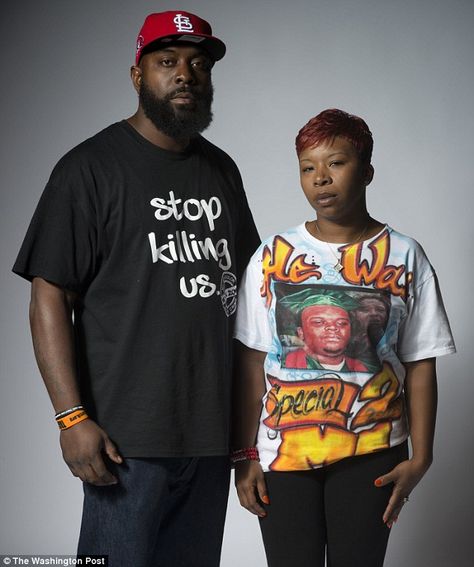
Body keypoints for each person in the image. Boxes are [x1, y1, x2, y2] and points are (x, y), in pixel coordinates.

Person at [12, 10, 259, 567]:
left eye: (198, 64)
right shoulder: (88, 168)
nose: (185, 75)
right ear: (136, 74)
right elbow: (48, 296)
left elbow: (248, 302)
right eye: (167, 62)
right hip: (124, 441)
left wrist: (246, 439)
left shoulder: (222, 172)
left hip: (209, 436)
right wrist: (72, 418)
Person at [232, 109, 455, 567]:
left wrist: (423, 457)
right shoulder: (272, 256)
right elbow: (252, 365)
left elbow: (421, 364)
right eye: (308, 168)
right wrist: (244, 455)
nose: (321, 179)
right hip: (283, 452)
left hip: (373, 451)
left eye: (336, 163)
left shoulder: (406, 255)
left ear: (367, 170)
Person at [281, 288, 369, 371]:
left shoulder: (366, 370)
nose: (333, 327)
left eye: (342, 323)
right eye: (318, 322)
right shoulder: (285, 366)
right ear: (301, 333)